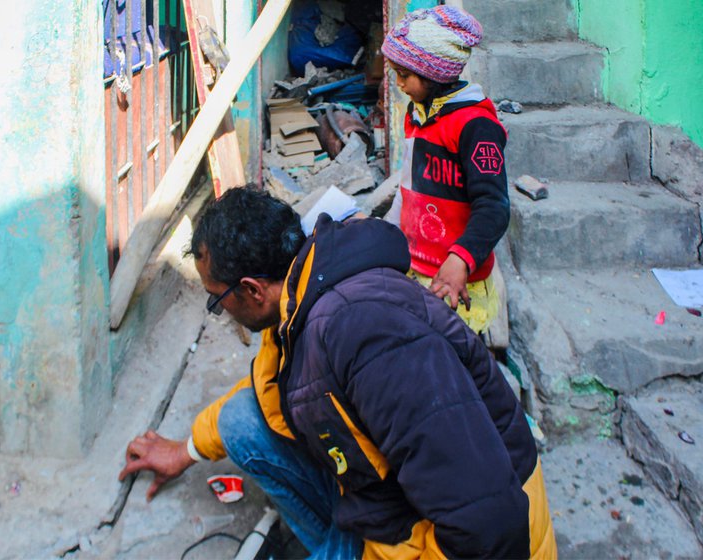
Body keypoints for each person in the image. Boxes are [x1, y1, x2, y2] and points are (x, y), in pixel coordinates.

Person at [119, 187, 556, 559]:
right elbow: (268, 389)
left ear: (251, 289)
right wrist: (187, 449)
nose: (219, 311)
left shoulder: (364, 332)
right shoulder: (303, 291)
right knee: (240, 420)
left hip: (456, 543)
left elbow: (489, 524)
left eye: (217, 301)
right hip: (391, 510)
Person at [381, 6, 509, 335]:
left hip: (456, 281)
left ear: (433, 73)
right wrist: (385, 235)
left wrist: (460, 261)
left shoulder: (476, 126)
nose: (398, 83)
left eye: (404, 75)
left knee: (455, 363)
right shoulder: (417, 114)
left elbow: (493, 207)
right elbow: (409, 190)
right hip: (416, 270)